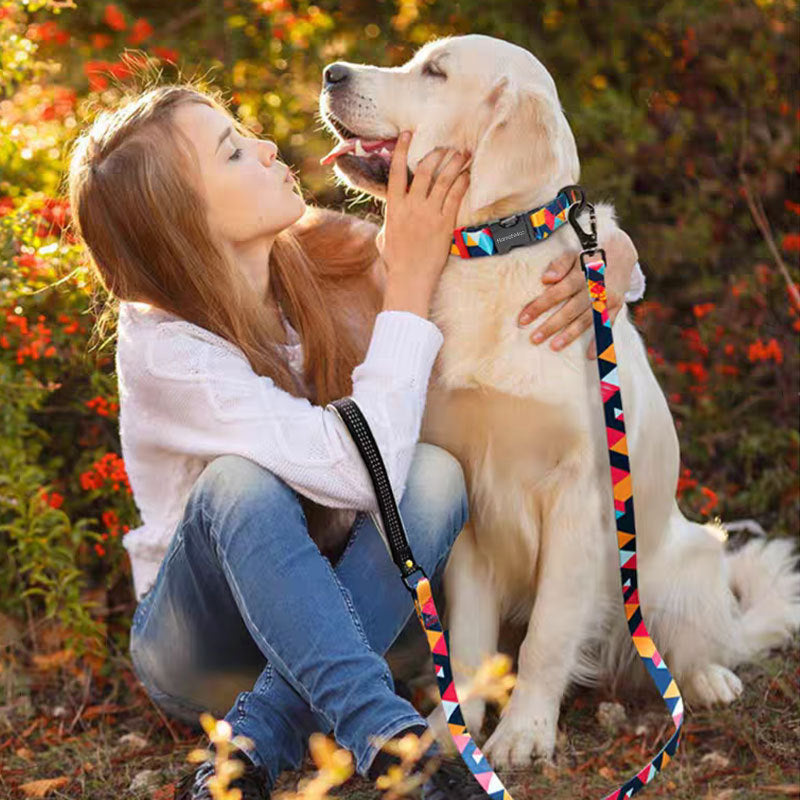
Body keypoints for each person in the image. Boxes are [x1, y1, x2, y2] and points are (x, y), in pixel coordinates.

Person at [66, 82, 643, 799]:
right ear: (183, 219)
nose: (269, 146)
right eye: (234, 152)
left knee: (433, 474)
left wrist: (607, 246)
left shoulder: (331, 250)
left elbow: (498, 257)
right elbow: (357, 474)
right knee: (237, 485)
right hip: (205, 646)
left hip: (352, 612)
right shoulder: (164, 346)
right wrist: (407, 283)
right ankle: (389, 739)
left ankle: (264, 735)